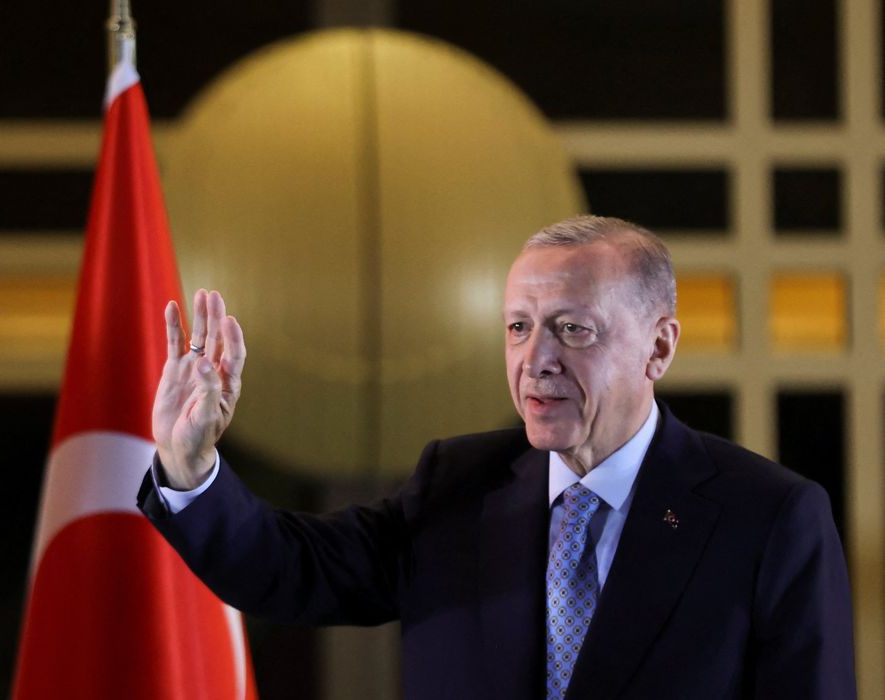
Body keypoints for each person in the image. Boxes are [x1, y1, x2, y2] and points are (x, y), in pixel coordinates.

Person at [137, 215, 856, 699]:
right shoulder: (455, 486)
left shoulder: (767, 517)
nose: (535, 360)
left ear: (659, 347)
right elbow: (286, 570)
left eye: (572, 329)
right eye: (518, 327)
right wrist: (188, 467)